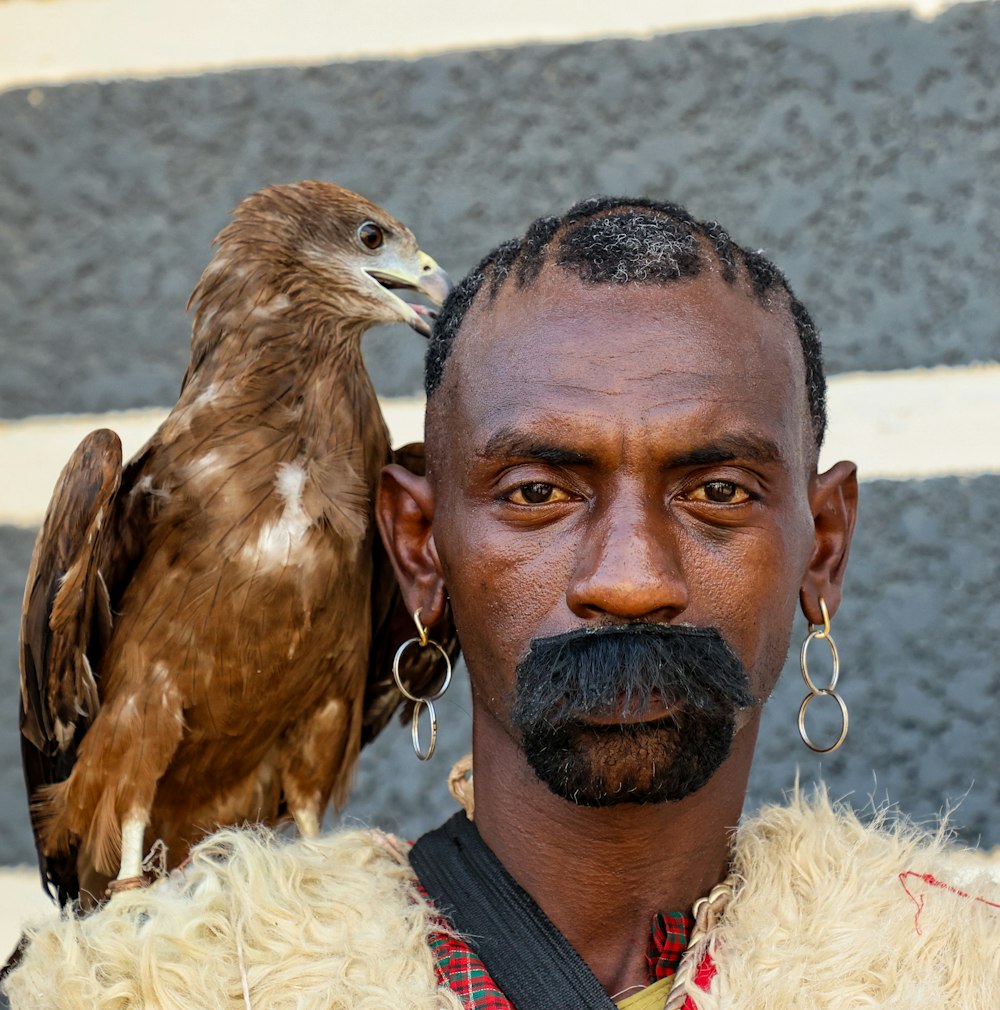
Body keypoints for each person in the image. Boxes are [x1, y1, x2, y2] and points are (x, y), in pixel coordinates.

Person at [5, 197, 997, 1010]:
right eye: (536, 493)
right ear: (418, 548)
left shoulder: (956, 968)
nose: (629, 578)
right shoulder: (128, 992)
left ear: (821, 544)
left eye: (716, 491)